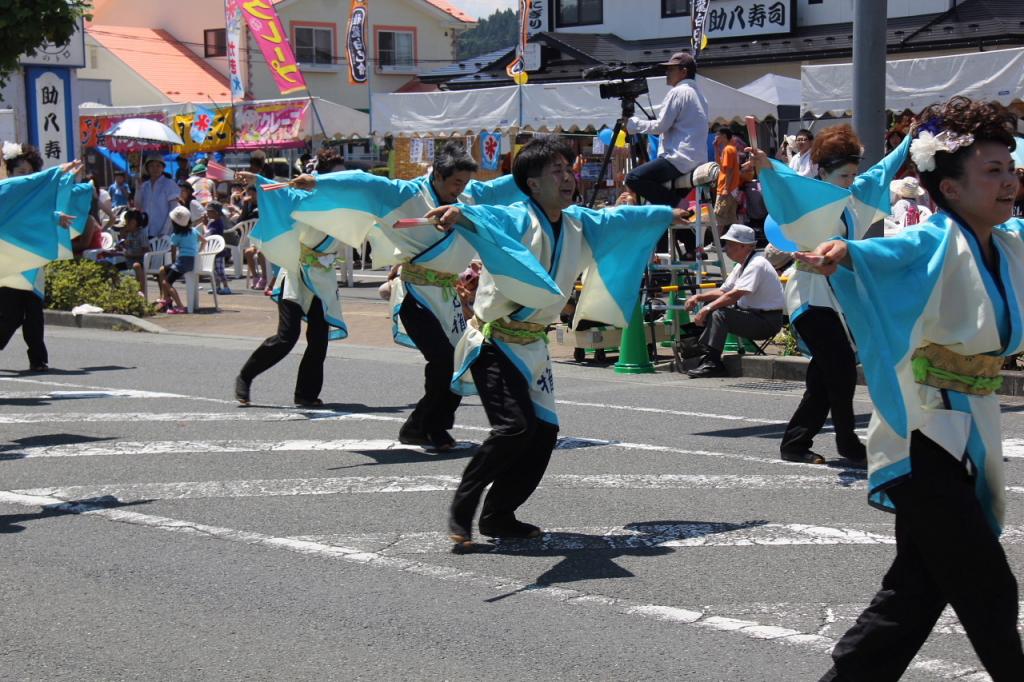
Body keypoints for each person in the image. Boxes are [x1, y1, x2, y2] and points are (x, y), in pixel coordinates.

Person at [796, 96, 1024, 682]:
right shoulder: (933, 240)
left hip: (970, 428)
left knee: (916, 591)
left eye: (1011, 168)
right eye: (992, 171)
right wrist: (844, 252)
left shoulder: (1009, 245)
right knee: (988, 588)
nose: (1009, 181)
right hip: (924, 432)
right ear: (948, 188)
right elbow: (879, 254)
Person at [429, 137, 688, 547]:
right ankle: (464, 509)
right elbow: (486, 218)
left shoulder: (578, 222)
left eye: (569, 171)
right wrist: (460, 214)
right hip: (494, 340)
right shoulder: (517, 216)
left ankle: (499, 516)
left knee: (544, 434)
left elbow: (622, 220)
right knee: (514, 428)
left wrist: (665, 215)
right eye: (557, 172)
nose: (568, 179)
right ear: (532, 184)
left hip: (533, 345)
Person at [253, 141, 527, 450]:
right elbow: (364, 182)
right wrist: (319, 181)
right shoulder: (404, 194)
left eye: (464, 183)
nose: (459, 189)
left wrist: (538, 169)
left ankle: (432, 426)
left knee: (458, 362)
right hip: (414, 295)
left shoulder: (468, 197)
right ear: (437, 174)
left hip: (448, 296)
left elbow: (505, 187)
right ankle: (422, 425)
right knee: (441, 361)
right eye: (455, 182)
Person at [753, 124, 912, 465]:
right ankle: (846, 441)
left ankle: (795, 443)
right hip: (808, 296)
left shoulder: (854, 198)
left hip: (837, 298)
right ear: (823, 171)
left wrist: (910, 138)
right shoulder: (806, 195)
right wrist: (765, 163)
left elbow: (885, 169)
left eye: (854, 173)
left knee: (825, 375)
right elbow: (781, 181)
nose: (850, 180)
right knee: (839, 367)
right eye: (843, 175)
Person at [0, 145, 85, 371]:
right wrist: (58, 171)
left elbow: (38, 215)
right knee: (12, 314)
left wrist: (57, 218)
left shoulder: (30, 197)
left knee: (34, 313)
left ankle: (38, 359)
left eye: (30, 172)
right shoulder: (5, 190)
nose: (25, 177)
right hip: (10, 262)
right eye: (20, 172)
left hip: (31, 261)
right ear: (10, 172)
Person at [684, 224, 785, 378]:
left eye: (731, 244)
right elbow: (724, 291)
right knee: (710, 307)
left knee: (718, 313)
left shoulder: (757, 264)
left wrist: (707, 309)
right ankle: (701, 354)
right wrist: (699, 298)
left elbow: (735, 295)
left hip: (766, 321)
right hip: (753, 316)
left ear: (745, 247)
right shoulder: (743, 264)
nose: (726, 248)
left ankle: (712, 363)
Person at [624, 51, 709, 207]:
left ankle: (682, 205)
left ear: (683, 71)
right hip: (695, 161)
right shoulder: (699, 95)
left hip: (679, 159)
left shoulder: (678, 91)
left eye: (671, 69)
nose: (667, 72)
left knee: (633, 178)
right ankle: (679, 211)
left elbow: (660, 126)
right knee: (663, 209)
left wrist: (633, 124)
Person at [156, 205, 199, 314]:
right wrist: (198, 251)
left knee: (166, 282)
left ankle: (179, 306)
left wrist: (174, 263)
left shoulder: (175, 235)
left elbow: (173, 253)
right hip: (193, 261)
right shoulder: (193, 231)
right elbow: (204, 241)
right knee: (162, 269)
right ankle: (165, 299)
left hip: (181, 263)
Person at [137, 156, 181, 238]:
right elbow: (138, 206)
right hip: (146, 230)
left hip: (164, 232)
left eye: (158, 166)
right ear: (147, 169)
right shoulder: (145, 186)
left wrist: (165, 230)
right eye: (152, 166)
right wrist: (137, 189)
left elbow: (174, 209)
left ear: (163, 168)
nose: (155, 168)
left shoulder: (169, 184)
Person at [115, 209, 150, 301]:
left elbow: (146, 251)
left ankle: (141, 293)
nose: (126, 225)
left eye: (127, 222)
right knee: (114, 268)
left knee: (136, 266)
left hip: (140, 260)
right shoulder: (130, 234)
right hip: (129, 260)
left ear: (133, 223)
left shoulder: (141, 234)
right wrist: (121, 246)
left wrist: (133, 255)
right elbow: (127, 246)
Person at [714, 128, 741, 228]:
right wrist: (716, 148)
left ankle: (716, 243)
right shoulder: (730, 149)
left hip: (725, 190)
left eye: (718, 135)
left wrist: (725, 188)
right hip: (732, 190)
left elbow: (729, 170)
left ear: (724, 136)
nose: (716, 137)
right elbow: (720, 165)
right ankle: (733, 242)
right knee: (731, 219)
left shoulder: (728, 149)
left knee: (719, 217)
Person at [204, 202, 231, 295]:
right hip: (212, 250)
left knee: (220, 270)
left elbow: (212, 233)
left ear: (216, 213)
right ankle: (217, 287)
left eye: (209, 211)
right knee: (214, 271)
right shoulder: (211, 222)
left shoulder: (218, 222)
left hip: (218, 251)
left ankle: (226, 286)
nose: (207, 213)